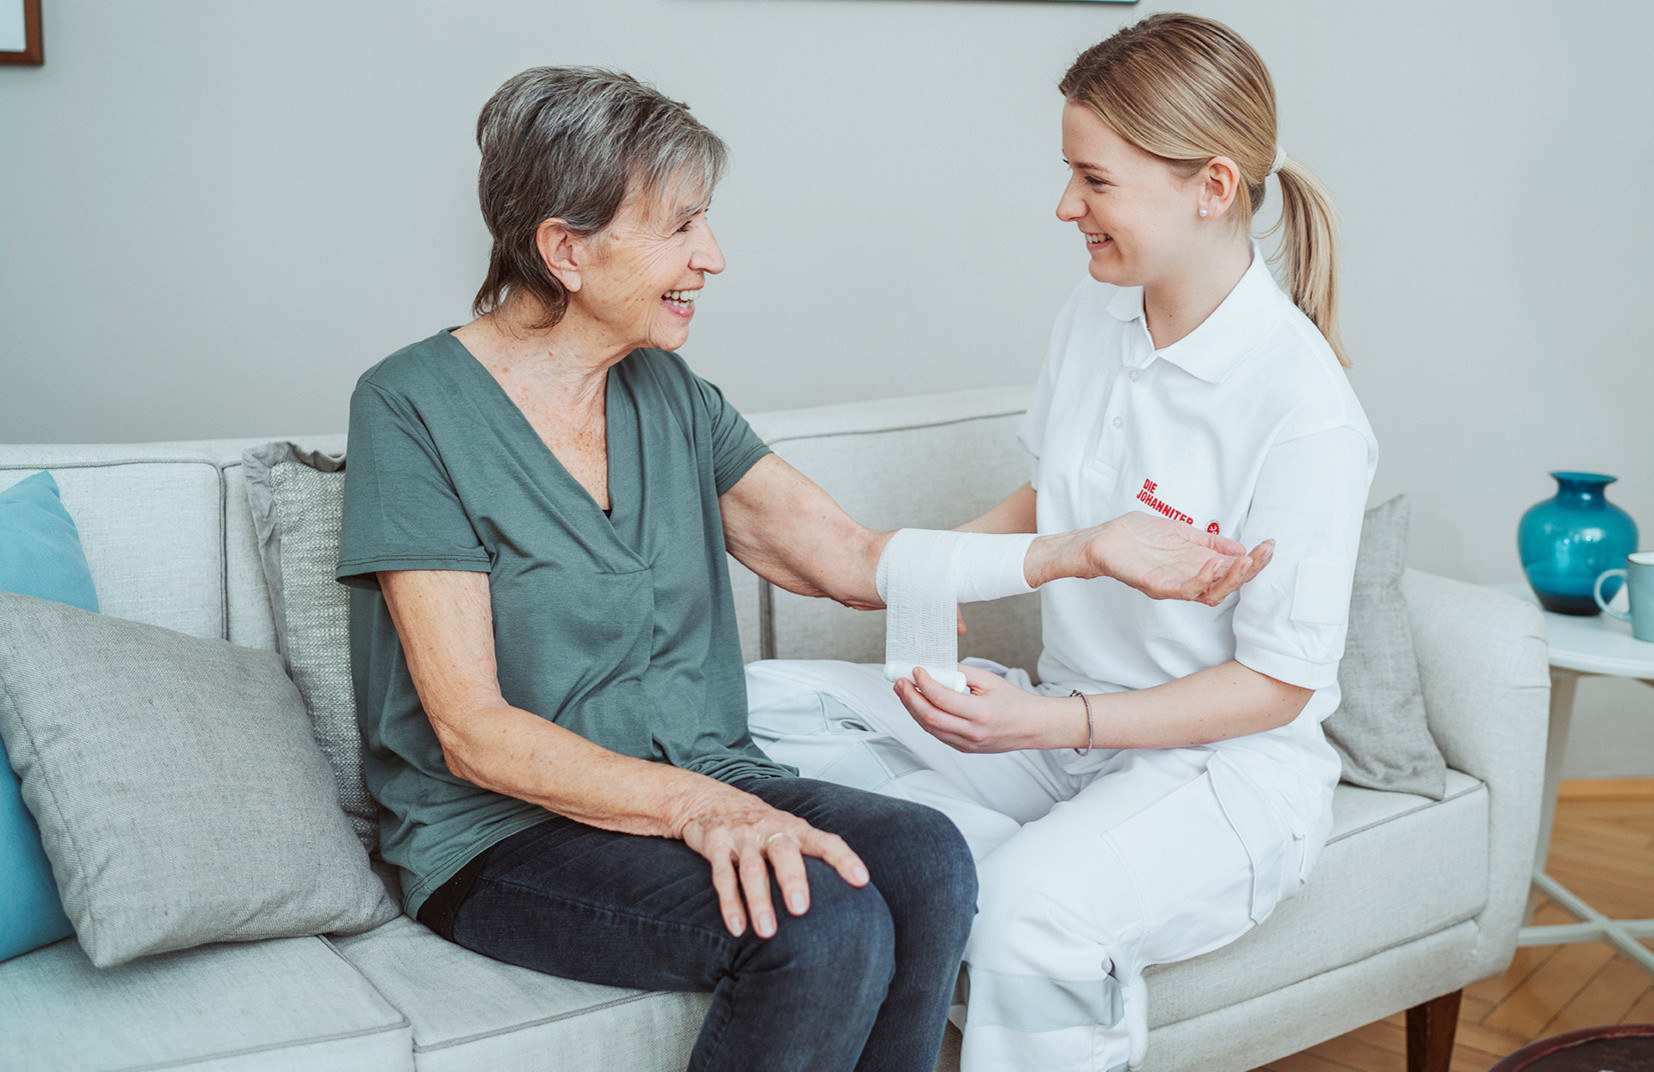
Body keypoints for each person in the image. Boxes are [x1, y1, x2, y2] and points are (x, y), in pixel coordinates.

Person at [336, 66, 1272, 1072]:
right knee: (817, 922)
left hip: (701, 776)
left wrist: (1078, 547)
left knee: (924, 860)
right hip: (501, 838)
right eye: (681, 227)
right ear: (567, 248)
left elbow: (845, 555)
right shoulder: (411, 407)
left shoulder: (670, 394)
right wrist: (705, 810)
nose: (713, 257)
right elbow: (473, 732)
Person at [745, 14, 1378, 1072]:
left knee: (1029, 915)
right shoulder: (1097, 315)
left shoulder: (1302, 406)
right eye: (1067, 173)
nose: (1064, 205)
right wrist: (929, 577)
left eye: (1094, 180)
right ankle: (996, 860)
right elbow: (1050, 502)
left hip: (1219, 776)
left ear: (1210, 186)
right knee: (751, 705)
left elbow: (1276, 685)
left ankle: (1029, 889)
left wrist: (1055, 718)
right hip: (1063, 737)